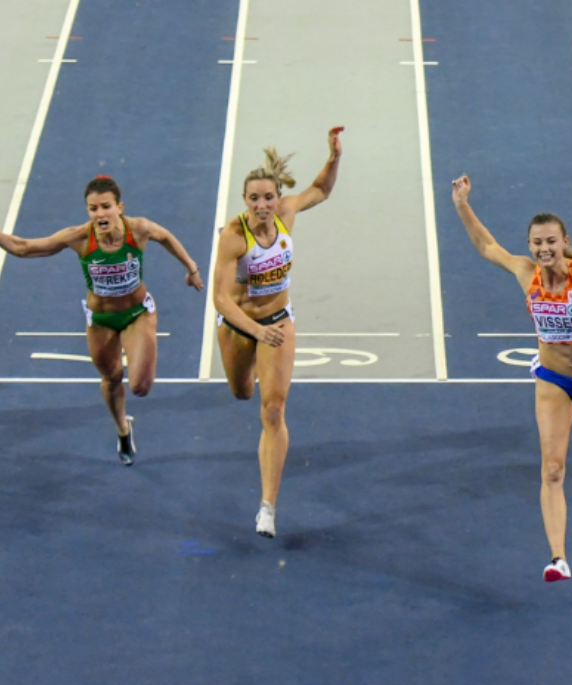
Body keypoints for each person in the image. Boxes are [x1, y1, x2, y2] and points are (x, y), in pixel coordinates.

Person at [451, 174, 572, 582]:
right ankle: (558, 558)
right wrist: (462, 205)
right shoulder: (527, 274)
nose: (544, 248)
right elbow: (487, 246)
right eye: (537, 242)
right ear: (530, 246)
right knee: (553, 469)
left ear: (563, 241)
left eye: (550, 242)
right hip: (551, 380)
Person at [0, 176, 202, 464]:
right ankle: (123, 428)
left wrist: (191, 268)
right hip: (101, 319)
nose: (100, 214)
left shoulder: (139, 228)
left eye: (105, 207)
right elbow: (23, 247)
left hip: (137, 314)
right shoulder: (80, 237)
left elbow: (166, 237)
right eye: (93, 209)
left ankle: (128, 409)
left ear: (119, 207)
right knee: (111, 379)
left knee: (141, 387)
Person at [210, 127, 342, 537]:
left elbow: (321, 189)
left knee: (272, 410)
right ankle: (250, 369)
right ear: (245, 201)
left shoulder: (287, 212)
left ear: (275, 197)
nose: (264, 204)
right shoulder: (233, 237)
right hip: (239, 325)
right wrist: (252, 331)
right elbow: (221, 300)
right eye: (255, 198)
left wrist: (334, 156)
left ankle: (267, 507)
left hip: (278, 321)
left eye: (269, 196)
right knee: (241, 392)